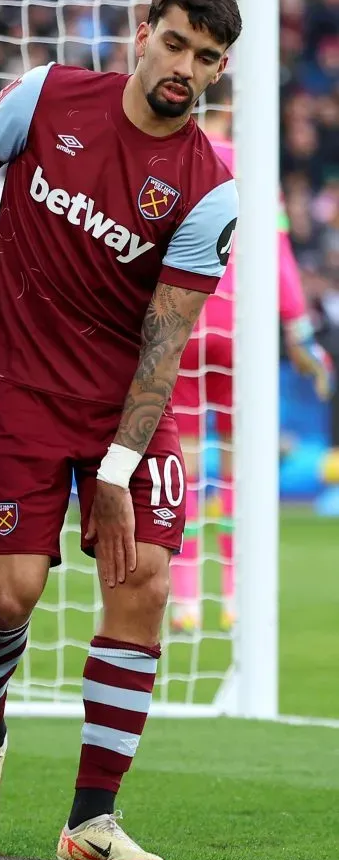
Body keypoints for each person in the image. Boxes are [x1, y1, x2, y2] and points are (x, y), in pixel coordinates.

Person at [0, 0, 241, 860]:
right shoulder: (46, 94)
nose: (184, 67)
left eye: (205, 58)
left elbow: (165, 342)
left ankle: (91, 820)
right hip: (13, 387)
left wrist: (116, 468)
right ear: (141, 34)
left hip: (123, 410)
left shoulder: (209, 189)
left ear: (217, 72)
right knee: (9, 596)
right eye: (174, 43)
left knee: (140, 587)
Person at [171, 125, 332, 633]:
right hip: (239, 326)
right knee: (237, 470)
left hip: (182, 323)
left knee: (187, 469)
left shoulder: (176, 155)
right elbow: (279, 255)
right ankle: (236, 596)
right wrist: (299, 332)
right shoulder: (255, 164)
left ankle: (186, 599)